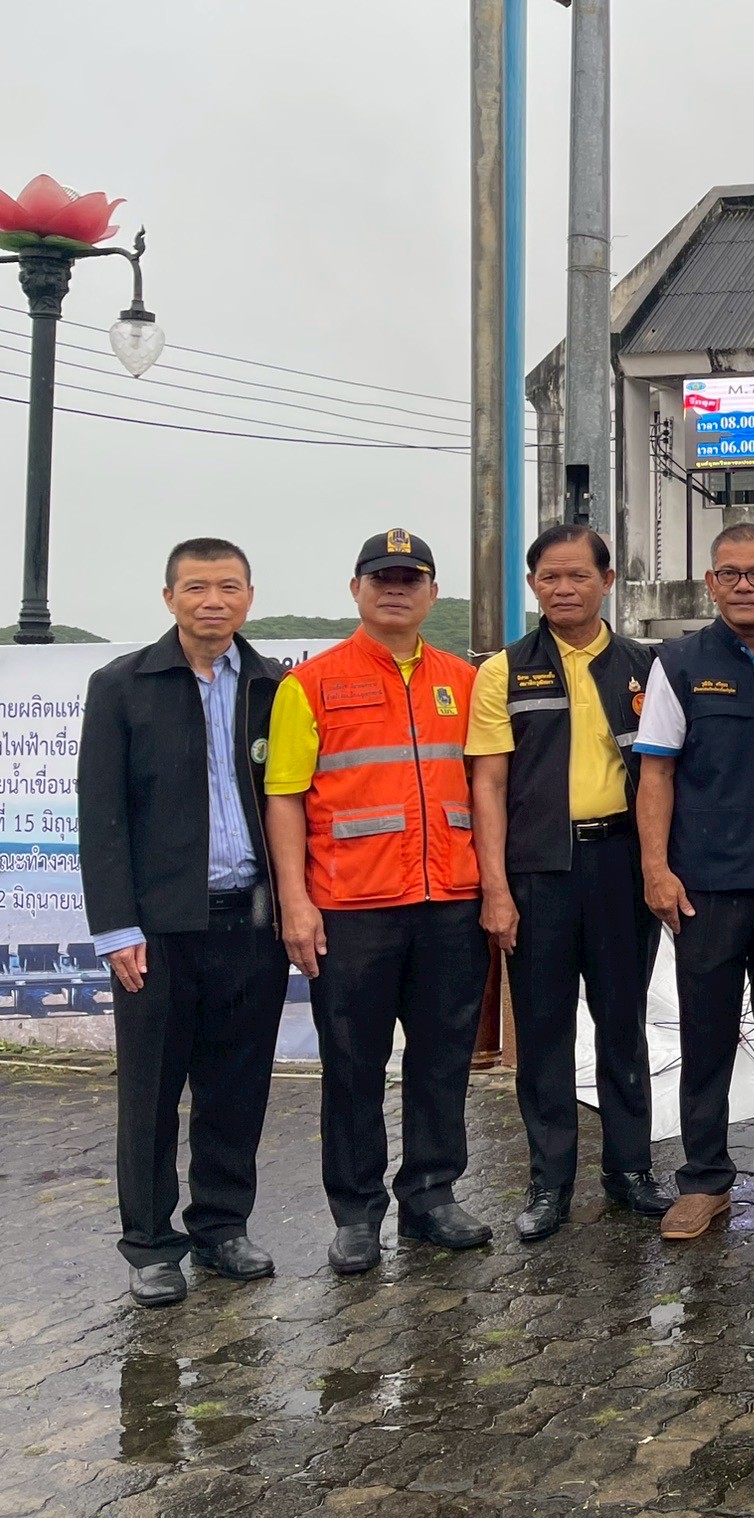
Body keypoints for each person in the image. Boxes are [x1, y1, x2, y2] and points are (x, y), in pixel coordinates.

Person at [264, 530, 492, 1275]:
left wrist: (490, 889)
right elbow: (285, 798)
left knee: (443, 1060)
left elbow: (488, 789)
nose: (396, 589)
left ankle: (431, 1195)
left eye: (410, 578)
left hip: (448, 902)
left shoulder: (465, 681)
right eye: (381, 578)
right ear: (355, 589)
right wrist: (295, 902)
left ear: (433, 593)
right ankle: (357, 1213)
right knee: (353, 1067)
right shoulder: (310, 685)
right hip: (351, 908)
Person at [80, 538, 286, 1307]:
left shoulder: (274, 687)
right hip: (158, 932)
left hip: (251, 923)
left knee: (238, 1087)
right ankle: (150, 1245)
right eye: (196, 587)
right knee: (151, 1093)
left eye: (228, 586)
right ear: (169, 598)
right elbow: (101, 816)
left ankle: (222, 1227)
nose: (213, 601)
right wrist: (116, 929)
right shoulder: (122, 686)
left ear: (249, 597)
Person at [467, 524, 663, 1241]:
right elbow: (488, 787)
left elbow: (664, 775)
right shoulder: (504, 672)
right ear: (533, 586)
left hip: (620, 867)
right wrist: (495, 888)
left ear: (607, 581)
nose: (564, 588)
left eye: (579, 575)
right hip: (538, 872)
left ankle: (630, 1169)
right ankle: (549, 1183)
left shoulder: (646, 668)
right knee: (543, 1031)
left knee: (623, 1025)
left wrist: (658, 867)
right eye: (549, 577)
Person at [639, 523, 754, 1240]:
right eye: (730, 574)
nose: (744, 586)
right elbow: (656, 772)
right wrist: (656, 869)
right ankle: (705, 1178)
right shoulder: (678, 663)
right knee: (706, 1036)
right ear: (710, 584)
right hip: (704, 888)